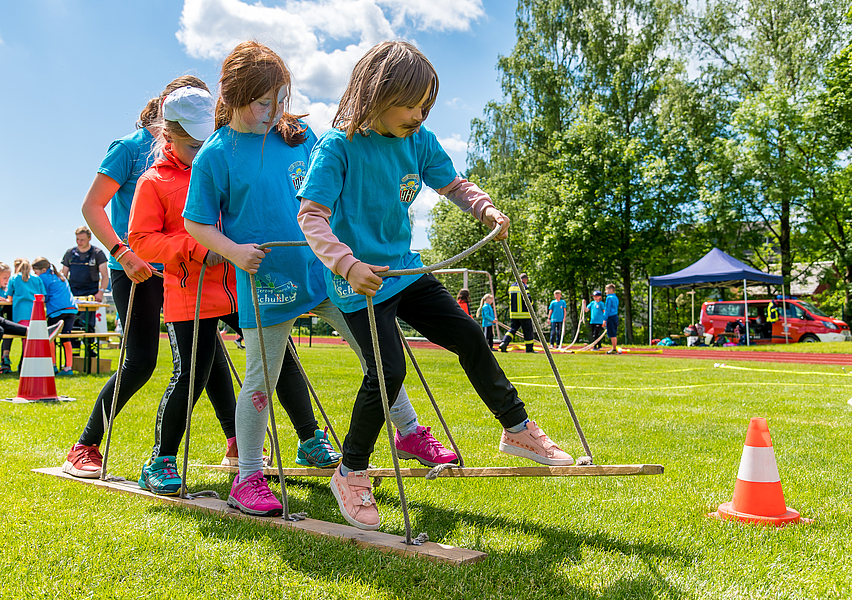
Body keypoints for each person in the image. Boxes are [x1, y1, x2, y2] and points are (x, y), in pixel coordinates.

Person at [297, 40, 574, 531]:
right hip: (360, 284)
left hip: (405, 272)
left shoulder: (417, 140)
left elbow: (454, 184)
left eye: (427, 105)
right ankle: (350, 472)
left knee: (469, 335)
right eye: (411, 104)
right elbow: (311, 217)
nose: (420, 115)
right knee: (387, 373)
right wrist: (345, 264)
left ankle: (517, 429)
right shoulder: (337, 147)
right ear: (375, 93)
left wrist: (484, 206)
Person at [183, 41, 455, 518]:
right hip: (265, 281)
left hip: (323, 270)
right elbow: (196, 222)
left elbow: (330, 183)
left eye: (280, 100)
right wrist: (232, 250)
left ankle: (408, 430)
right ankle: (248, 476)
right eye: (263, 102)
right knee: (260, 380)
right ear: (233, 95)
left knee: (377, 350)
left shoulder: (299, 137)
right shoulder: (215, 155)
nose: (273, 112)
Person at [62, 75, 209, 480]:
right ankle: (84, 445)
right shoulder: (128, 149)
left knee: (205, 354)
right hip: (136, 269)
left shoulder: (201, 148)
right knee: (141, 361)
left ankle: (237, 445)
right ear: (167, 110)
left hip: (183, 268)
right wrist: (122, 253)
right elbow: (92, 207)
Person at [126, 85, 245, 496]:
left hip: (236, 286)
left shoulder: (220, 166)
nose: (201, 151)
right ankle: (159, 460)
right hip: (188, 291)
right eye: (193, 145)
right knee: (191, 374)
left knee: (280, 355)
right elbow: (141, 240)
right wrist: (196, 248)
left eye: (207, 141)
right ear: (168, 135)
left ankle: (308, 439)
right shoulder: (152, 182)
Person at [32, 257, 78, 376]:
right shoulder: (61, 276)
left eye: (35, 272)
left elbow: (44, 296)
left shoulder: (43, 277)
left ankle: (52, 365)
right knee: (65, 337)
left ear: (42, 269)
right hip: (71, 309)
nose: (35, 274)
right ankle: (68, 367)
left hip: (57, 310)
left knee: (50, 336)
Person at [61, 226, 109, 337]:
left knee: (89, 323)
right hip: (73, 292)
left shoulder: (97, 253)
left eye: (82, 239)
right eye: (77, 239)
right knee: (72, 322)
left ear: (89, 238)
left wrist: (100, 292)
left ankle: (90, 351)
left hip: (91, 292)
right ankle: (74, 351)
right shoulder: (70, 253)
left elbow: (105, 276)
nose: (79, 242)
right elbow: (63, 275)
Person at [4, 259, 47, 369]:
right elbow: (43, 297)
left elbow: (9, 297)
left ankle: (24, 365)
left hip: (20, 313)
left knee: (25, 339)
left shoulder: (14, 278)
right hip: (35, 312)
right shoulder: (37, 279)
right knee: (30, 339)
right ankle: (26, 364)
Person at [498, 273, 535, 353]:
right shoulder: (523, 287)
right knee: (527, 331)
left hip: (513, 314)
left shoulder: (511, 287)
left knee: (512, 330)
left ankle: (504, 343)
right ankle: (529, 349)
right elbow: (528, 299)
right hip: (524, 314)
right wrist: (532, 306)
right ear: (525, 280)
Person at [603, 284, 619, 354]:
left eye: (606, 289)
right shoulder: (616, 298)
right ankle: (614, 348)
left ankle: (614, 349)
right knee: (614, 333)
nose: (605, 291)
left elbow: (607, 309)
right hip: (615, 316)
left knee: (612, 334)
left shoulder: (609, 298)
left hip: (610, 317)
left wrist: (604, 319)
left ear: (611, 290)